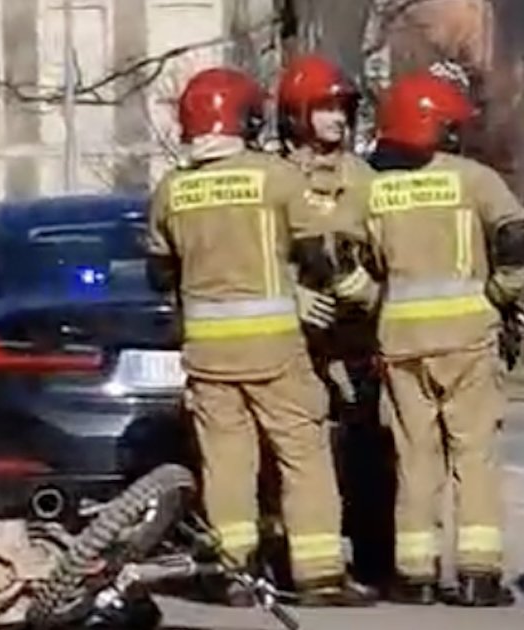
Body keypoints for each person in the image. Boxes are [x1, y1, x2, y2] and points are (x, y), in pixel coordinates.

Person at [145, 66, 376, 606]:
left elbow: (160, 273)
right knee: (304, 457)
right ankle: (319, 575)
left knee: (227, 466)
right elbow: (321, 253)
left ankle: (236, 577)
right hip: (276, 353)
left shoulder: (171, 191)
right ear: (247, 117)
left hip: (208, 358)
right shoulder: (275, 177)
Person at [329, 72, 524, 606]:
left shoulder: (368, 189)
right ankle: (478, 575)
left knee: (415, 459)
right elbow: (516, 238)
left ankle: (415, 575)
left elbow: (335, 262)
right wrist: (500, 293)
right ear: (435, 126)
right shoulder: (474, 180)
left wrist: (374, 300)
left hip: (400, 344)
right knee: (474, 457)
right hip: (469, 339)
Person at [276, 53, 396, 590]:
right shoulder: (271, 178)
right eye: (325, 109)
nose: (338, 120)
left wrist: (373, 294)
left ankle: (375, 552)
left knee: (369, 446)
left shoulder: (365, 180)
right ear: (297, 114)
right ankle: (283, 550)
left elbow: (396, 250)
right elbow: (248, 260)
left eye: (343, 109)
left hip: (355, 339)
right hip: (288, 341)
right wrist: (291, 297)